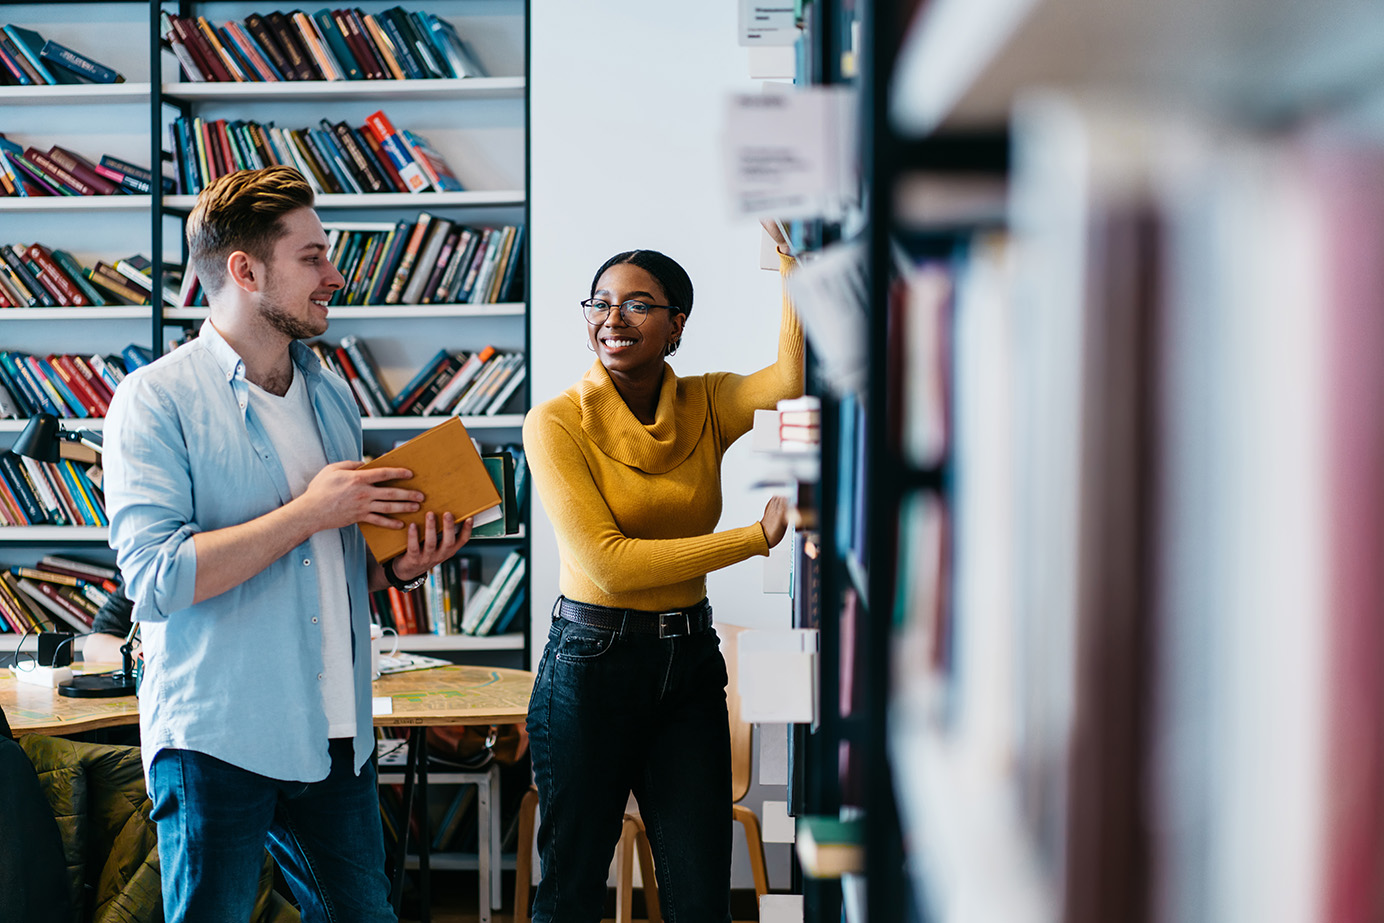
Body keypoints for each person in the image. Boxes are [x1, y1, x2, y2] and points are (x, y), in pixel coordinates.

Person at [103, 165, 471, 923]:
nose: (334, 275)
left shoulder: (332, 392)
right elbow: (157, 579)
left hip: (337, 735)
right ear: (245, 269)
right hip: (216, 739)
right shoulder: (154, 399)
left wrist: (394, 564)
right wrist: (309, 512)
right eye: (312, 257)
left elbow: (326, 569)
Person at [521, 221, 803, 922]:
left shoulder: (704, 401)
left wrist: (793, 266)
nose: (612, 318)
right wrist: (752, 539)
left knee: (700, 890)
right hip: (591, 663)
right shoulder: (555, 422)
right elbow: (608, 566)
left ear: (677, 324)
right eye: (600, 303)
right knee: (572, 889)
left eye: (638, 303)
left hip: (688, 664)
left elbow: (792, 377)